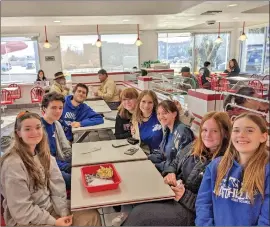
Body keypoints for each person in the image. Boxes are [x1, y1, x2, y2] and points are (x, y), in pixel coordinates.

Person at [122, 111, 232, 226]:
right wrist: (171, 172)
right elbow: (175, 161)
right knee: (138, 198)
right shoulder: (194, 146)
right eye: (204, 130)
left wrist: (185, 196)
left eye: (214, 131)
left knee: (141, 215)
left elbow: (215, 207)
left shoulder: (225, 164)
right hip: (172, 195)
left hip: (190, 212)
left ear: (225, 133)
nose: (208, 135)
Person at [0, 111, 101, 226]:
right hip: (25, 220)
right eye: (27, 129)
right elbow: (21, 210)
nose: (34, 132)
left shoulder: (44, 155)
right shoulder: (13, 164)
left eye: (38, 127)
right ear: (18, 133)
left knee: (91, 215)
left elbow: (57, 186)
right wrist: (54, 221)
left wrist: (63, 212)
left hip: (49, 207)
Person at [196, 113, 269, 226]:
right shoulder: (216, 165)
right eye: (236, 130)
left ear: (263, 137)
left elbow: (266, 219)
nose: (241, 135)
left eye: (249, 130)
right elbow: (203, 204)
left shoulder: (266, 171)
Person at [148, 100, 195, 173]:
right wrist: (146, 158)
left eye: (165, 113)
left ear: (174, 114)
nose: (161, 116)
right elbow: (161, 154)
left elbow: (179, 162)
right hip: (166, 169)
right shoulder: (168, 130)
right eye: (159, 113)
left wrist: (156, 166)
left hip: (174, 176)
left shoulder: (182, 131)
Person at [41, 92, 72, 190]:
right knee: (74, 180)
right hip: (47, 169)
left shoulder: (57, 124)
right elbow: (43, 161)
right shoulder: (38, 128)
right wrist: (66, 166)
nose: (58, 111)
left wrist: (73, 161)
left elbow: (66, 148)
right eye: (53, 108)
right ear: (44, 108)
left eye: (60, 108)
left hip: (59, 161)